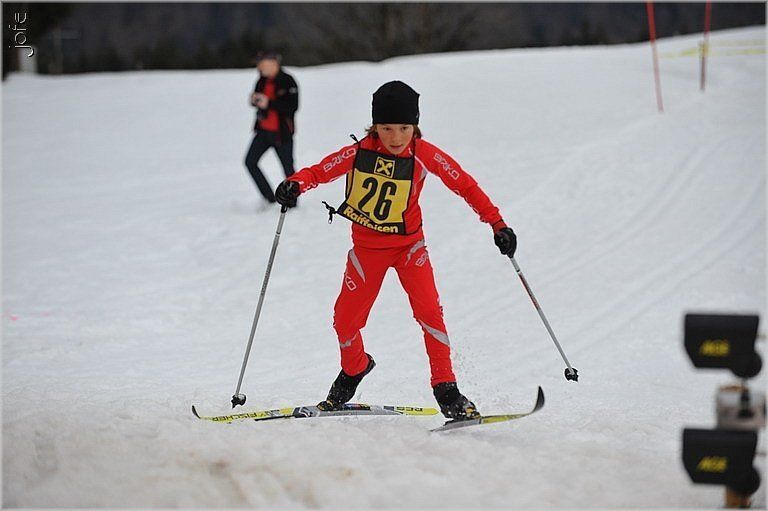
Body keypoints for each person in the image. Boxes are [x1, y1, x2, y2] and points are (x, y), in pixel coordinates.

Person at [274, 81, 517, 420]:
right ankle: (355, 367)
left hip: (409, 248)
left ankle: (446, 388)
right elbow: (319, 171)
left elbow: (464, 184)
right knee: (345, 321)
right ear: (375, 126)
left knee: (430, 313)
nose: (396, 137)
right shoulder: (359, 152)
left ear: (415, 126)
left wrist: (497, 224)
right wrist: (294, 184)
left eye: (404, 128)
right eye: (387, 128)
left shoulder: (424, 153)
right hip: (367, 251)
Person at [244, 51, 299, 206]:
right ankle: (269, 198)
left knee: (288, 169)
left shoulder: (287, 81)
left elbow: (292, 106)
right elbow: (258, 99)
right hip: (263, 131)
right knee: (250, 162)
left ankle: (292, 204)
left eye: (262, 64)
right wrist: (254, 100)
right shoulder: (261, 80)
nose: (259, 67)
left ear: (274, 63)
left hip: (282, 133)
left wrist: (269, 103)